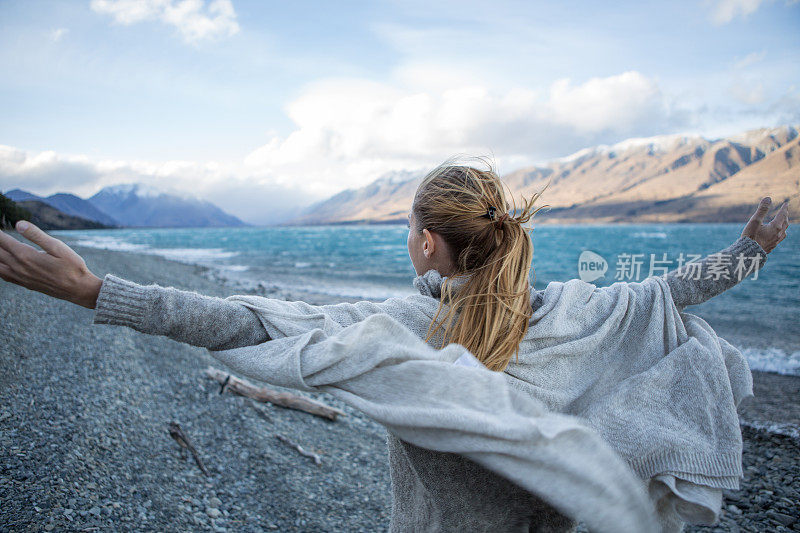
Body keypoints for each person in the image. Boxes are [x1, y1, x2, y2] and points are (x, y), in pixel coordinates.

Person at [0, 157, 789, 533]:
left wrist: (97, 289)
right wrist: (749, 251)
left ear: (425, 244)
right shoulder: (583, 312)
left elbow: (256, 322)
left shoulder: (405, 331)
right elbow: (667, 291)